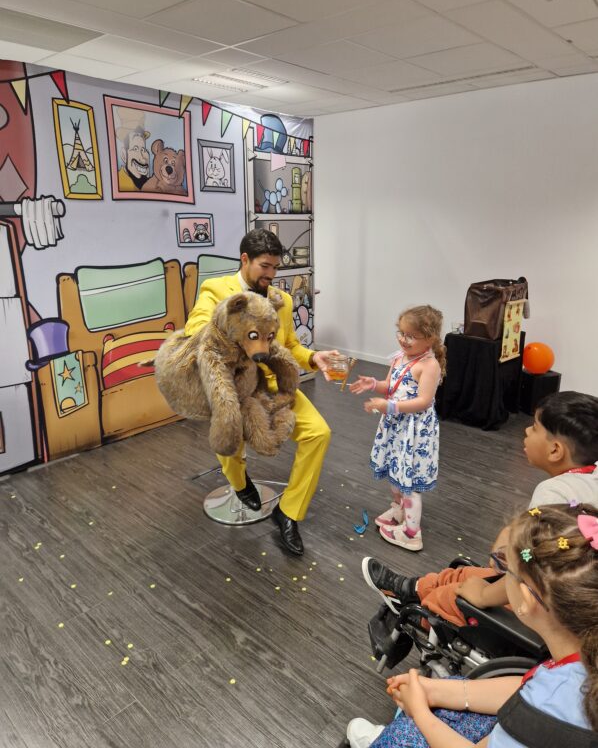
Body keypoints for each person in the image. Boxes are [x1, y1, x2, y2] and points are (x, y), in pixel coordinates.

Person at [347, 503, 598, 748]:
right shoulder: (574, 664)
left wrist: (420, 712)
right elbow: (529, 685)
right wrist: (437, 691)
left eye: (506, 571)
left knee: (401, 736)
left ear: (526, 601)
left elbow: (538, 699)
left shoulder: (550, 705)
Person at [361, 391, 598, 625]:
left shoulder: (552, 493)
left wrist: (485, 594)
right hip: (570, 595)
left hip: (546, 606)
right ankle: (411, 589)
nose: (526, 431)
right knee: (465, 575)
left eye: (535, 427)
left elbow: (531, 573)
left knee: (453, 595)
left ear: (555, 450)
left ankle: (415, 616)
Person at [184, 229, 338, 556]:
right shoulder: (216, 290)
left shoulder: (282, 300)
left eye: (275, 268)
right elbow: (195, 330)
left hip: (274, 386)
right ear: (245, 259)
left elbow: (290, 346)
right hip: (236, 386)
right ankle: (240, 485)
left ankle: (289, 511)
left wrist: (313, 358)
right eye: (265, 266)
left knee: (319, 433)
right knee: (229, 435)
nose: (271, 275)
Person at [350, 306, 445, 551]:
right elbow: (390, 385)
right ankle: (400, 512)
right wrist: (373, 384)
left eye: (411, 336)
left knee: (408, 481)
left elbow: (424, 401)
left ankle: (412, 534)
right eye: (401, 333)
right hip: (396, 426)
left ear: (430, 339)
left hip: (414, 431)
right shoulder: (399, 357)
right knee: (395, 473)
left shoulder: (429, 365)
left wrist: (389, 407)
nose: (403, 339)